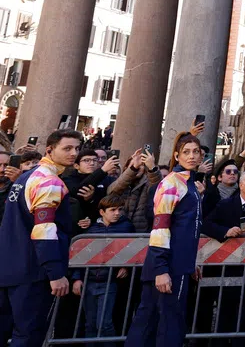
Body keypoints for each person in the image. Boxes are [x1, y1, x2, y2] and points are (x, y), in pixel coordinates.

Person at [0, 128, 81, 346]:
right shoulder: (49, 181)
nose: (74, 153)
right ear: (49, 150)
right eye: (67, 148)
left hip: (10, 268)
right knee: (28, 336)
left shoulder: (26, 177)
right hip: (33, 273)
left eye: (77, 148)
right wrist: (55, 272)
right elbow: (44, 231)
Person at [125, 132, 204, 347]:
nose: (192, 156)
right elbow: (160, 228)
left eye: (196, 152)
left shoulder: (188, 183)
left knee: (147, 323)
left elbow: (186, 228)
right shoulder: (172, 183)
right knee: (168, 326)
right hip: (168, 266)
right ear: (176, 156)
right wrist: (161, 269)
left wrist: (191, 262)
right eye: (186, 152)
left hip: (175, 264)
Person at [71, 195, 133, 341]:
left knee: (104, 324)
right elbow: (80, 255)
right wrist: (76, 278)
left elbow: (132, 249)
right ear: (102, 212)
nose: (117, 213)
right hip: (89, 281)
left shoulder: (126, 227)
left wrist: (127, 267)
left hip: (109, 281)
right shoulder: (90, 229)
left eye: (120, 210)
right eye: (113, 210)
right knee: (91, 324)